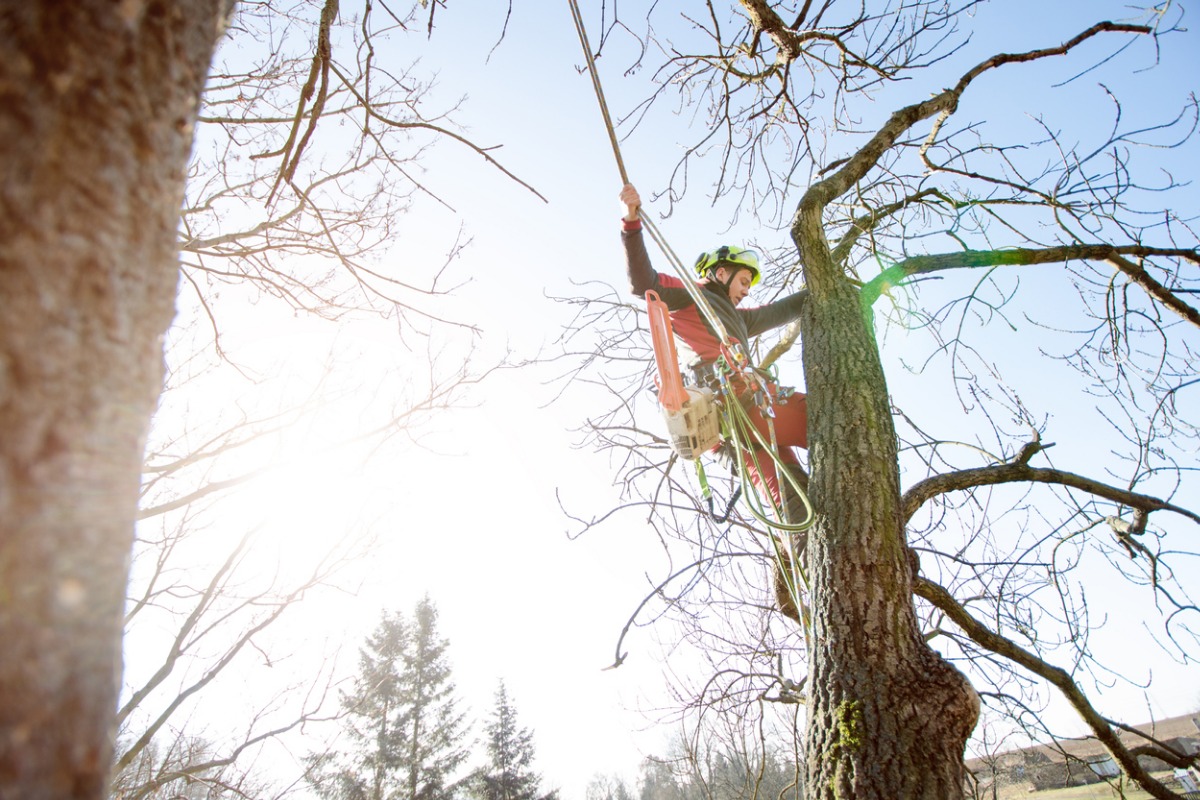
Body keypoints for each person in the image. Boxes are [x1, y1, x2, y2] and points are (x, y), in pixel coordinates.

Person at [619, 183, 810, 516]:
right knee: (824, 419)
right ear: (721, 272)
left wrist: (822, 289)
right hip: (737, 401)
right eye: (743, 282)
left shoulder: (738, 318)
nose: (746, 292)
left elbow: (779, 311)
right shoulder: (694, 295)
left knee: (795, 500)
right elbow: (643, 282)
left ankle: (813, 555)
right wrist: (631, 222)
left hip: (736, 429)